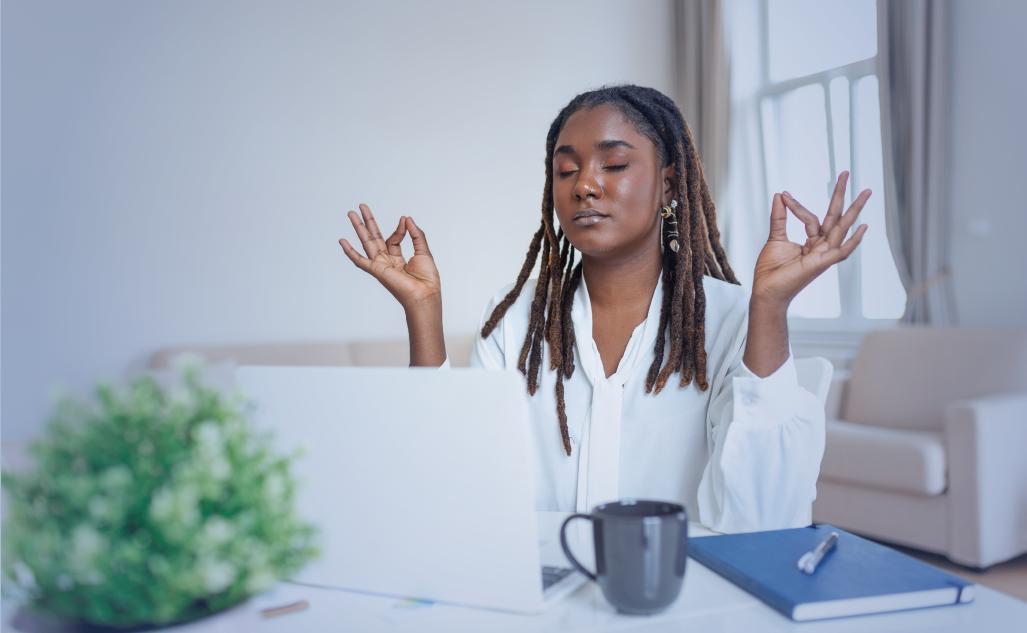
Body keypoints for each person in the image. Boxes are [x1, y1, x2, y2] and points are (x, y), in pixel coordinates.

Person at [339, 85, 869, 533]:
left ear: (667, 182)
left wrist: (770, 308)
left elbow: (762, 522)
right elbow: (449, 490)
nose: (584, 185)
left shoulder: (734, 319)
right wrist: (423, 312)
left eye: (613, 164)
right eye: (565, 171)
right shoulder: (514, 324)